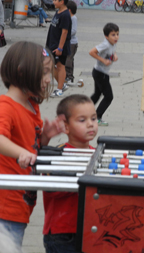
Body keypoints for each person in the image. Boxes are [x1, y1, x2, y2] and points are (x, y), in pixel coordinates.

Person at [0, 41, 65, 251]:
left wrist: (44, 138)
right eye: (44, 72)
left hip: (21, 204)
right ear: (21, 71)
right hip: (4, 205)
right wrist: (21, 153)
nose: (49, 79)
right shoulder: (6, 106)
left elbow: (29, 145)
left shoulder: (31, 105)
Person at [43, 94, 98, 253]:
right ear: (65, 126)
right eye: (82, 120)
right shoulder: (57, 154)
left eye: (94, 118)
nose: (90, 124)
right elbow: (51, 189)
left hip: (91, 229)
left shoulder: (98, 155)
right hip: (62, 233)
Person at [89, 23, 119, 126]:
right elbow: (92, 52)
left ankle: (82, 110)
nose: (116, 37)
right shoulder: (105, 44)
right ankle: (98, 117)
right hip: (100, 73)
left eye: (117, 34)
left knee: (97, 94)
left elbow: (112, 51)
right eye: (113, 35)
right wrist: (103, 60)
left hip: (100, 72)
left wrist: (114, 55)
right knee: (109, 96)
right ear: (106, 36)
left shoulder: (113, 43)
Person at [46, 0, 72, 97]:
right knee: (50, 64)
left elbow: (64, 32)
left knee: (60, 66)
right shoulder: (58, 12)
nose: (53, 2)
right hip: (52, 44)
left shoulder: (65, 15)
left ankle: (59, 89)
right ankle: (62, 84)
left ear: (62, 2)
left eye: (55, 0)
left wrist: (60, 48)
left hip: (59, 46)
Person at [65, 0, 78, 83]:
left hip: (72, 43)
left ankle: (69, 76)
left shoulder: (73, 18)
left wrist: (65, 34)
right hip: (68, 42)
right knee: (69, 59)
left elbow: (73, 30)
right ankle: (69, 76)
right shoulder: (68, 18)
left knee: (68, 60)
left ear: (69, 10)